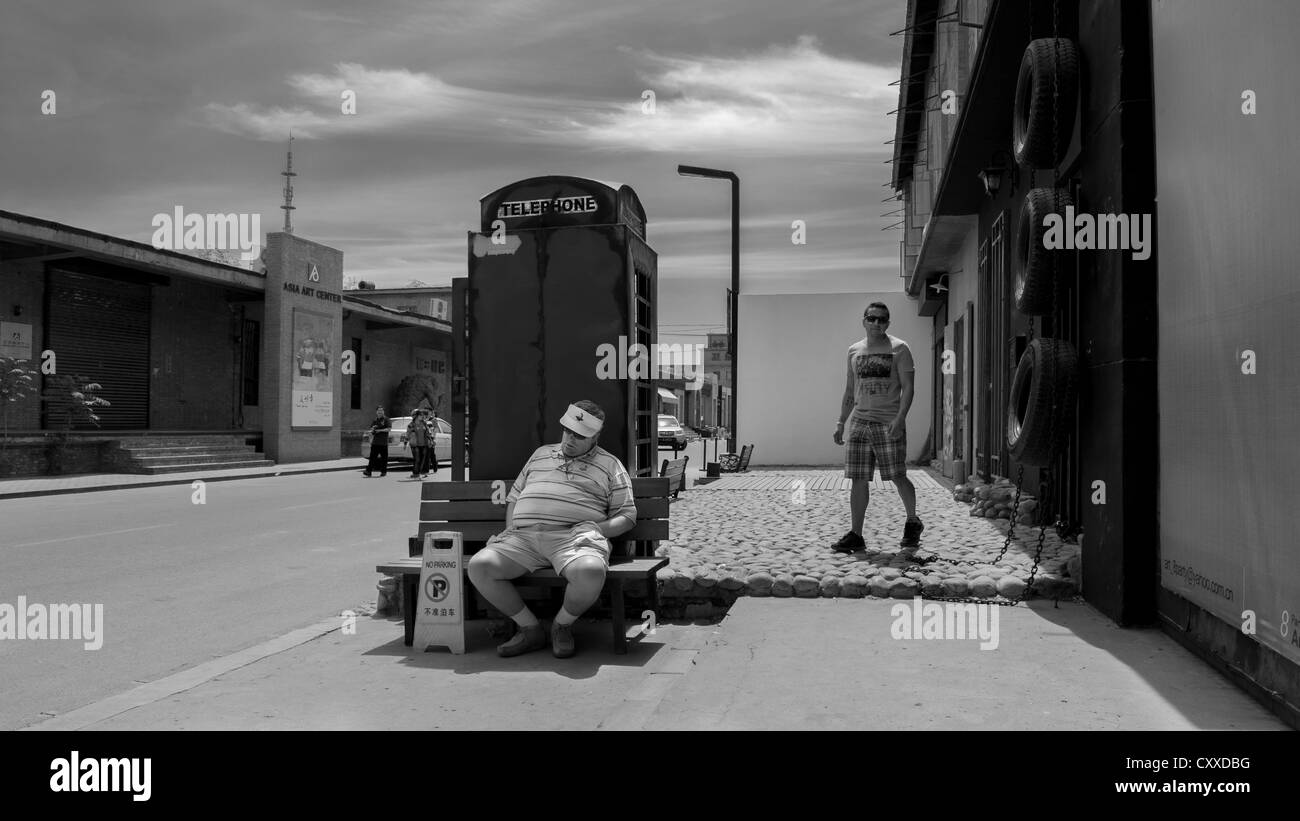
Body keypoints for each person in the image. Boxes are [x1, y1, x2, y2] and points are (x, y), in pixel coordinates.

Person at [467, 400, 636, 658]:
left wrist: (598, 528)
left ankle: (562, 626)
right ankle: (530, 629)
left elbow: (627, 515)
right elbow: (515, 496)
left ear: (596, 437)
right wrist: (511, 528)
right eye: (568, 431)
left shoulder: (610, 465)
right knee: (480, 566)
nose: (571, 439)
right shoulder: (541, 454)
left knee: (590, 572)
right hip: (523, 539)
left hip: (572, 540)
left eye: (580, 436)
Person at [831, 301, 923, 553]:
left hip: (888, 422)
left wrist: (900, 417)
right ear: (864, 320)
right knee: (858, 479)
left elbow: (908, 387)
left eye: (882, 320)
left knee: (897, 475)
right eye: (872, 318)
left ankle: (913, 521)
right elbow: (850, 390)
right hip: (860, 423)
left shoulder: (900, 348)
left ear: (888, 323)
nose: (876, 323)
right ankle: (856, 534)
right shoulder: (854, 351)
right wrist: (841, 421)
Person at [363, 406, 390, 478]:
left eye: (381, 410)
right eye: (378, 410)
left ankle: (383, 472)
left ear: (383, 412)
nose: (380, 412)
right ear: (376, 412)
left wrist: (379, 431)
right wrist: (371, 431)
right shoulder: (374, 420)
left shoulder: (386, 419)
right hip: (375, 442)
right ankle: (368, 471)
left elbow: (388, 429)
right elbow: (372, 429)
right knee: (372, 458)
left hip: (383, 443)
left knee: (384, 459)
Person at [406, 408, 431, 479]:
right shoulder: (411, 424)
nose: (422, 416)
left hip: (424, 445)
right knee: (417, 459)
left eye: (422, 415)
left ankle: (416, 473)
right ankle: (416, 474)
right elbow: (408, 433)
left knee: (422, 460)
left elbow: (428, 433)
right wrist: (406, 441)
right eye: (420, 415)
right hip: (415, 445)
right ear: (417, 416)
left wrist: (430, 441)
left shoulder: (424, 423)